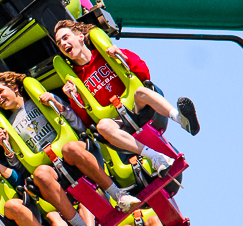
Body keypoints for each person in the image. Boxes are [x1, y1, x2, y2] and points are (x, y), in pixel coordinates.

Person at [0, 71, 142, 226]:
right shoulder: (8, 126)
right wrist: (7, 149)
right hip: (55, 172)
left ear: (15, 88)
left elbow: (78, 126)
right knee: (39, 174)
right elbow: (23, 168)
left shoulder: (40, 100)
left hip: (76, 156)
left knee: (70, 147)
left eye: (0, 92)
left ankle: (119, 195)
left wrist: (58, 105)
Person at [53, 20, 200, 168]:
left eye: (65, 37)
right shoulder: (76, 79)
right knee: (102, 126)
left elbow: (143, 73)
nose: (63, 44)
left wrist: (122, 57)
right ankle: (154, 157)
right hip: (119, 125)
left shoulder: (105, 54)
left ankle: (181, 119)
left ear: (79, 36)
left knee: (141, 91)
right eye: (59, 43)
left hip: (140, 110)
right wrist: (73, 97)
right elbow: (87, 120)